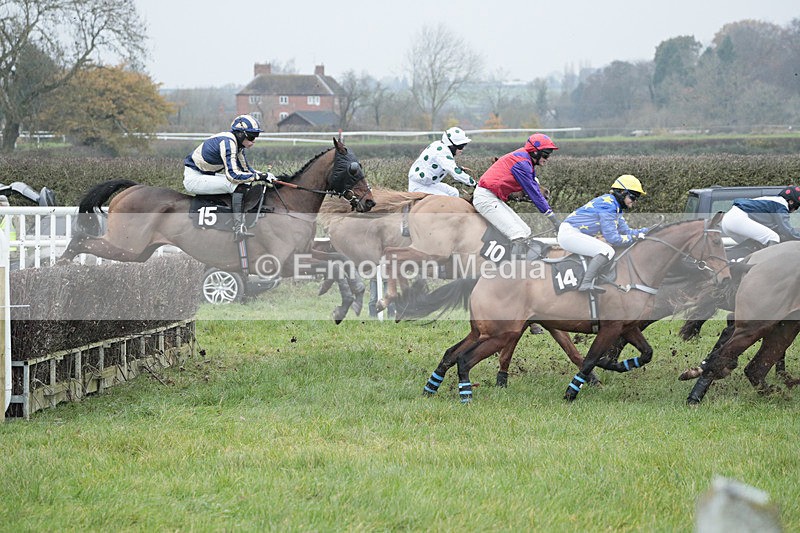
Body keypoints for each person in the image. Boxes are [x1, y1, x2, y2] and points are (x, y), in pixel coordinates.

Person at [183, 114, 275, 241]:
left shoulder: (237, 144)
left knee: (247, 182)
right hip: (194, 178)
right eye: (252, 136)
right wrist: (258, 176)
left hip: (204, 174)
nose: (254, 141)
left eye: (256, 136)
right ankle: (239, 228)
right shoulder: (228, 142)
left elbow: (246, 170)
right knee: (237, 184)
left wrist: (264, 175)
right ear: (241, 134)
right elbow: (233, 175)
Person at [557, 175, 649, 293]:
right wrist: (635, 237)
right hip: (570, 234)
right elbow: (613, 238)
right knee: (607, 251)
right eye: (633, 197)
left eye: (637, 198)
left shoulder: (615, 207)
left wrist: (646, 231)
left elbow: (626, 232)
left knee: (605, 249)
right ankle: (586, 283)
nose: (634, 202)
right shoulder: (608, 205)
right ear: (622, 192)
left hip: (574, 233)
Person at [472, 133, 560, 256]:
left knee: (526, 231)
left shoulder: (525, 159)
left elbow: (532, 185)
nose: (548, 158)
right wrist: (554, 220)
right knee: (517, 233)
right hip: (486, 198)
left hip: (492, 197)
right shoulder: (522, 163)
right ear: (534, 152)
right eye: (546, 154)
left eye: (549, 154)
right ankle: (514, 272)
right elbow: (534, 192)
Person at [720, 185, 800, 247]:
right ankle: (768, 266)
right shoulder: (781, 206)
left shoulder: (773, 201)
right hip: (737, 219)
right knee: (773, 238)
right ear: (791, 202)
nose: (795, 210)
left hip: (728, 220)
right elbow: (787, 231)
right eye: (797, 206)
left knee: (753, 246)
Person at [408, 127, 476, 197]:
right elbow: (455, 172)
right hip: (419, 186)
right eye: (460, 146)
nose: (462, 149)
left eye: (464, 145)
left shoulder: (439, 144)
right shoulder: (443, 152)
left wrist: (459, 168)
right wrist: (475, 184)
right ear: (450, 144)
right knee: (446, 198)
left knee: (454, 193)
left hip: (429, 184)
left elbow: (445, 165)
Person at [0, 195, 19, 269]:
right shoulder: (3, 217)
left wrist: (19, 253)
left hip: (14, 257)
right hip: (4, 255)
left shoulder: (14, 216)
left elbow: (20, 235)